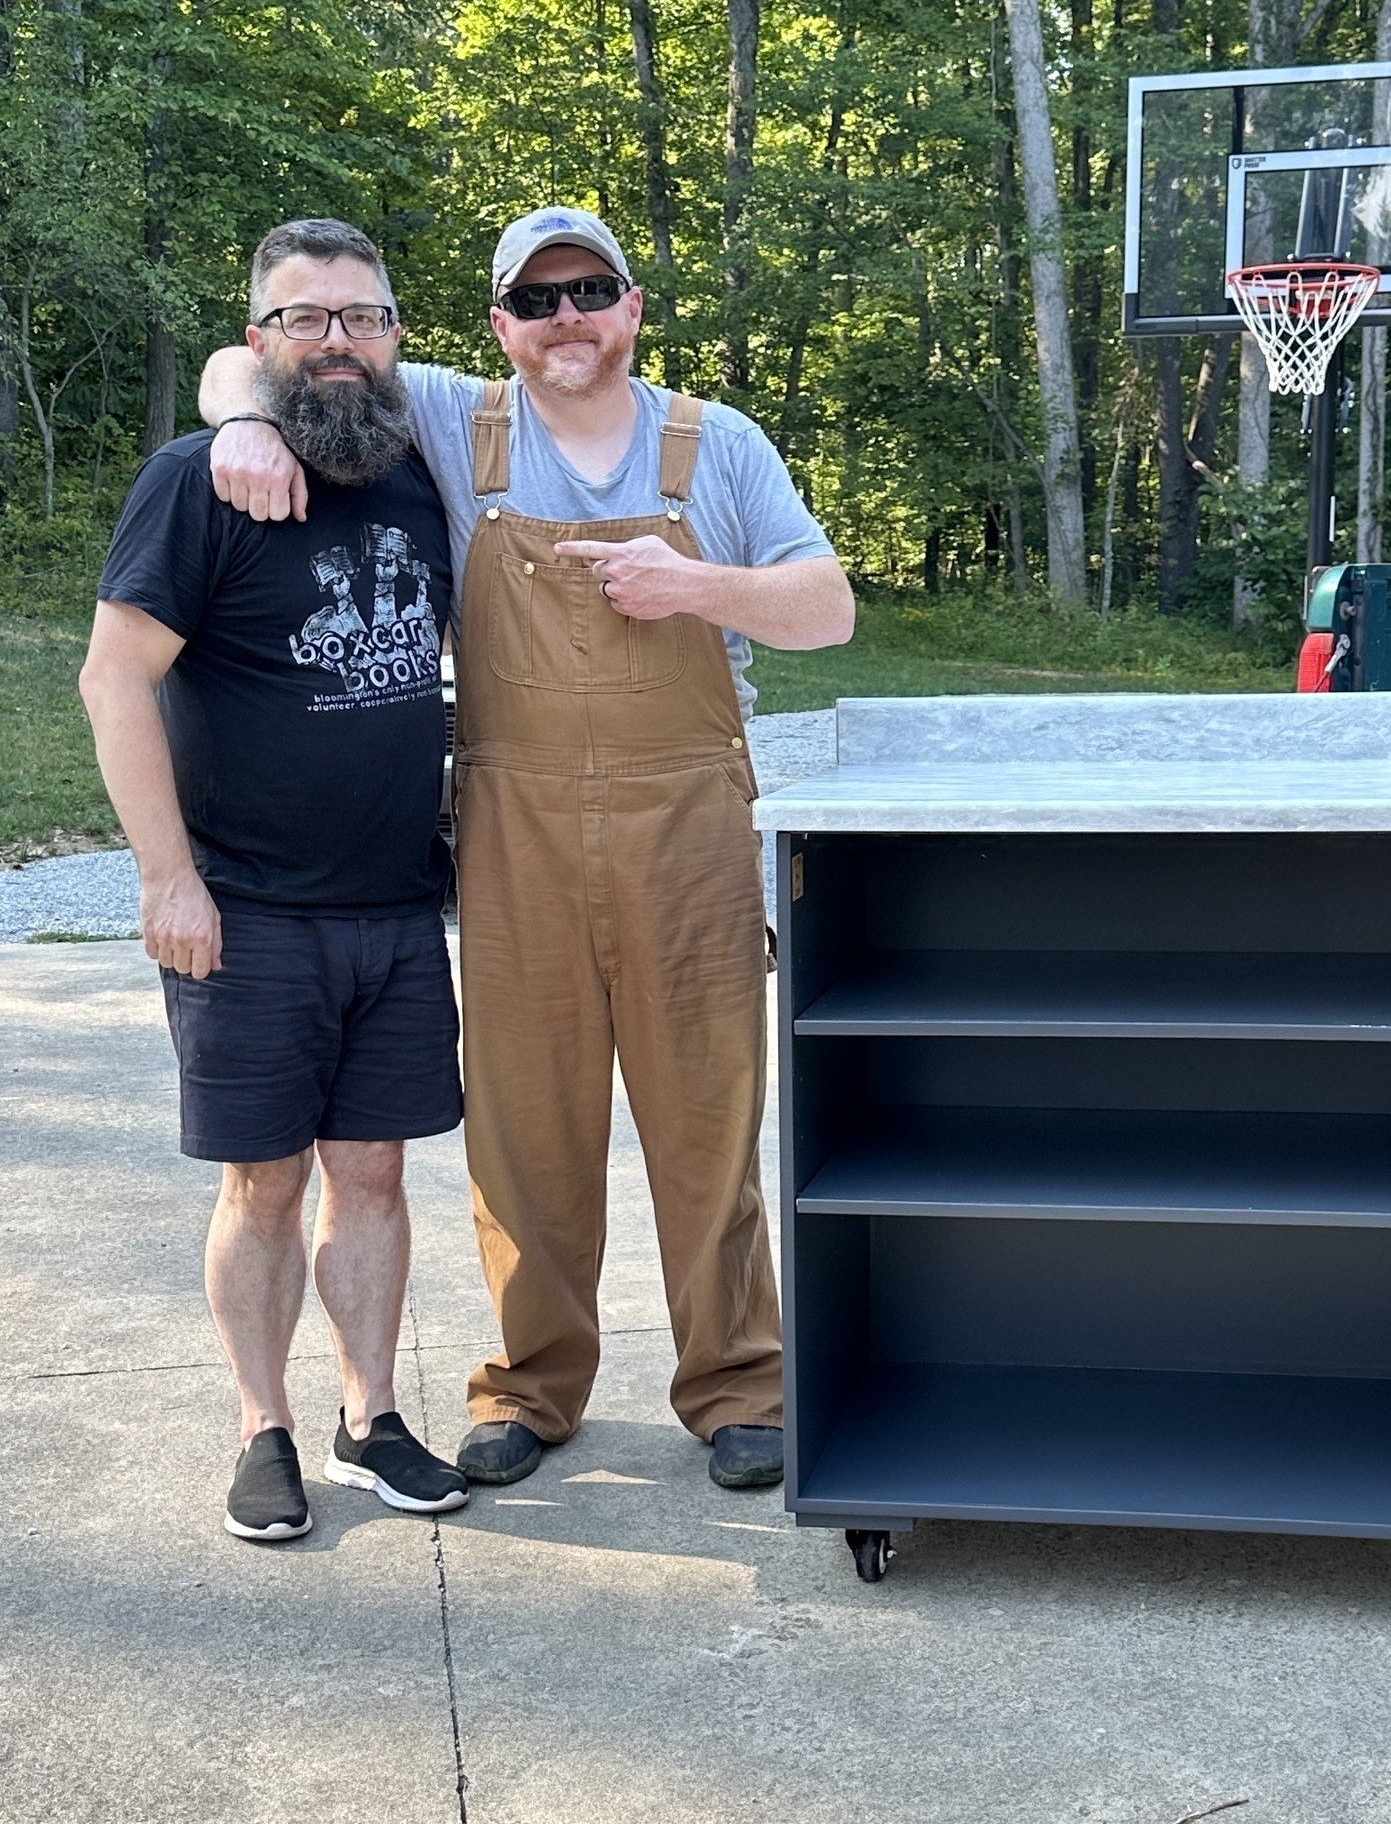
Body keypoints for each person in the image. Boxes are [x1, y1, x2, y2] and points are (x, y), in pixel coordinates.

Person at [200, 206, 855, 1491]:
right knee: (525, 1133)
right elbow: (279, 355)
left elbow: (827, 606)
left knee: (708, 1123)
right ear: (500, 324)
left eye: (591, 292)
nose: (568, 322)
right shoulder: (452, 420)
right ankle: (531, 1386)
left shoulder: (716, 444)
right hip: (517, 835)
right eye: (538, 301)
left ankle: (736, 1384)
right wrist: (238, 420)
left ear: (632, 308)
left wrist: (702, 587)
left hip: (689, 834)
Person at [82, 218, 470, 1542]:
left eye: (364, 317)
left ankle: (372, 1415)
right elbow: (112, 677)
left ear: (397, 337)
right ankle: (265, 1425)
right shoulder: (199, 479)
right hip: (244, 912)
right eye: (308, 320)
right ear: (261, 343)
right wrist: (165, 878)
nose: (340, 342)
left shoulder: (424, 477)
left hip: (399, 911)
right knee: (264, 1183)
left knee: (374, 1174)